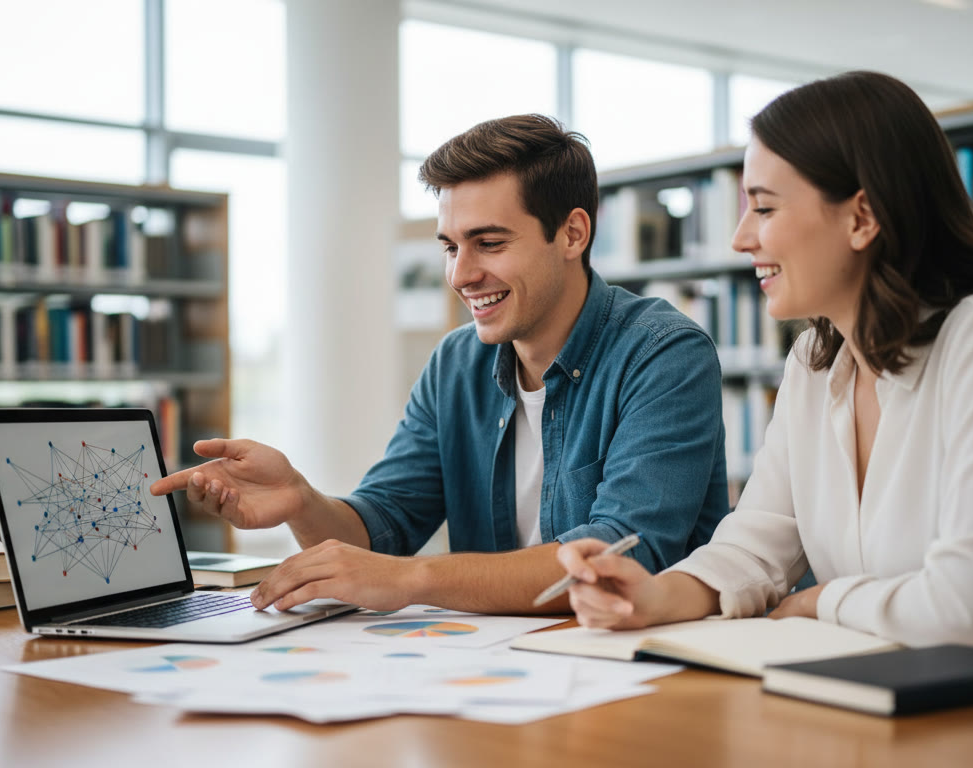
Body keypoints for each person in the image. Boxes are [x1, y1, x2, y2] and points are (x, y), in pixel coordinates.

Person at [556, 71, 973, 649]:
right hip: (867, 688)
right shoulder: (813, 361)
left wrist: (818, 601)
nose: (740, 238)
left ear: (861, 218)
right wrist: (652, 597)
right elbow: (756, 544)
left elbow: (972, 607)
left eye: (764, 208)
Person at [151, 114, 730, 614]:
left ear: (572, 234)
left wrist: (413, 579)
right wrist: (301, 500)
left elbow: (618, 556)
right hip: (501, 667)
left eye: (490, 243)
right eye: (451, 246)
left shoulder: (663, 353)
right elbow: (385, 524)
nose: (460, 275)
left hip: (634, 669)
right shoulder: (457, 362)